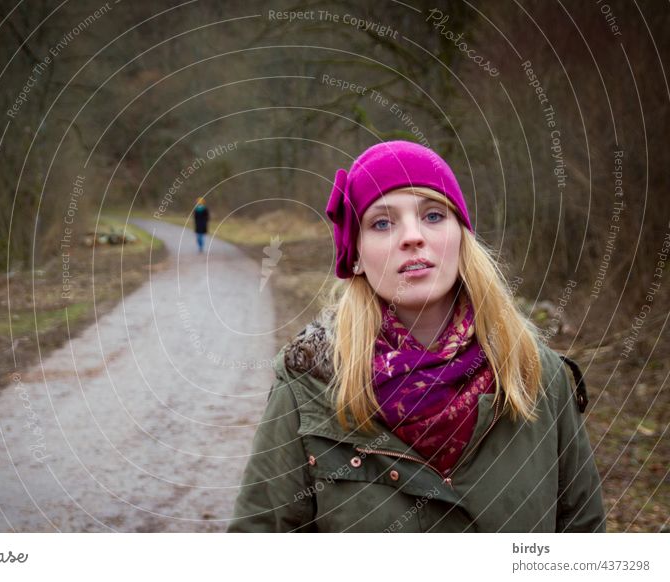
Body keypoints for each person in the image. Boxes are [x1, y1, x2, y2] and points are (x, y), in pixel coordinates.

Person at [228, 141, 605, 532]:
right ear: (354, 254)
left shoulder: (539, 376)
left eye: (433, 215)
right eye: (382, 223)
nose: (412, 236)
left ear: (461, 237)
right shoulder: (307, 387)